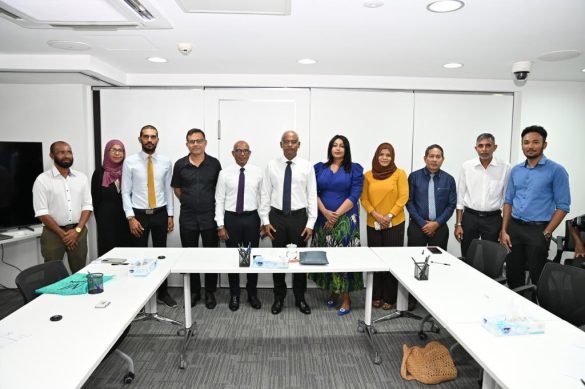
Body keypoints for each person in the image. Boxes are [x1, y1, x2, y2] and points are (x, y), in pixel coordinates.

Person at [500, 125, 570, 288]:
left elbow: (563, 206)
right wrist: (504, 230)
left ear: (544, 145)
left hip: (538, 230)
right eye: (526, 142)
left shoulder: (556, 171)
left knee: (538, 274)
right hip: (515, 228)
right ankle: (516, 310)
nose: (530, 146)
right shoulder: (516, 170)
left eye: (535, 142)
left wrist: (547, 232)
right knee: (513, 271)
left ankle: (540, 310)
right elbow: (508, 201)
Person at [259, 130, 317, 315]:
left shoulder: (307, 167)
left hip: (299, 218)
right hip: (277, 218)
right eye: (287, 141)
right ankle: (279, 298)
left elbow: (312, 196)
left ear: (299, 145)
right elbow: (265, 194)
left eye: (294, 142)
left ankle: (300, 298)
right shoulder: (271, 165)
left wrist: (310, 224)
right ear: (281, 144)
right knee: (279, 260)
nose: (290, 145)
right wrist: (265, 220)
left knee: (299, 261)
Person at [122, 125, 176, 307]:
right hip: (139, 216)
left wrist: (170, 215)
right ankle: (140, 295)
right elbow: (125, 192)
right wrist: (130, 217)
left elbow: (168, 190)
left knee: (161, 255)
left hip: (160, 214)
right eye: (146, 137)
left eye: (153, 137)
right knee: (139, 257)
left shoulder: (166, 162)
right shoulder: (130, 162)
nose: (150, 140)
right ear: (140, 139)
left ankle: (163, 292)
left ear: (158, 140)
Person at [309, 135, 364, 316]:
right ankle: (333, 290)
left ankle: (346, 298)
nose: (338, 148)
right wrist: (325, 212)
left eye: (341, 146)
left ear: (346, 149)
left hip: (346, 221)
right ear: (330, 148)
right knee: (327, 256)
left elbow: (355, 194)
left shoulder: (354, 169)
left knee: (344, 259)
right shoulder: (319, 168)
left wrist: (336, 215)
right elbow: (312, 192)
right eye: (334, 145)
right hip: (322, 218)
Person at [172, 129, 222, 309]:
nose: (195, 144)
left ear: (205, 143)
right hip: (188, 218)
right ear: (187, 144)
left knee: (211, 256)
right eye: (192, 141)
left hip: (210, 217)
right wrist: (187, 200)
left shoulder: (215, 164)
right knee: (190, 256)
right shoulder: (179, 165)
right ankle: (195, 291)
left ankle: (209, 292)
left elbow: (220, 189)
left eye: (199, 141)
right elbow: (177, 188)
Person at [215, 140, 263, 311]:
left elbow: (262, 199)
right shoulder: (224, 173)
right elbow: (219, 199)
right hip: (231, 220)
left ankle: (252, 293)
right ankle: (234, 294)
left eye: (245, 151)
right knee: (233, 260)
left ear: (249, 153)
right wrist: (220, 225)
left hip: (251, 220)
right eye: (239, 150)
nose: (242, 154)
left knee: (249, 258)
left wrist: (264, 222)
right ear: (233, 153)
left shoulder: (258, 173)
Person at [361, 143, 409, 311]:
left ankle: (390, 297)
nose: (384, 157)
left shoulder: (399, 174)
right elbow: (364, 199)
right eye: (381, 154)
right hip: (373, 223)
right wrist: (376, 215)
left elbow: (404, 197)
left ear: (392, 157)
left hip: (394, 223)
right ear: (376, 156)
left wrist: (389, 216)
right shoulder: (368, 175)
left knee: (391, 261)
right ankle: (376, 295)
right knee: (375, 261)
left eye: (388, 155)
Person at [32, 141, 93, 274]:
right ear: (52, 155)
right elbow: (42, 212)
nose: (66, 155)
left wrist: (76, 231)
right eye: (61, 152)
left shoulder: (81, 178)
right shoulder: (42, 180)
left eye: (69, 152)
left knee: (80, 272)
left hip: (79, 231)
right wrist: (63, 234)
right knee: (52, 273)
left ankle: (80, 295)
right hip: (53, 233)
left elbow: (87, 206)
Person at [454, 133, 510, 258]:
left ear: (495, 147)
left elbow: (507, 200)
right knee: (467, 254)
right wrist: (458, 224)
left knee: (490, 257)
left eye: (488, 145)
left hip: (493, 219)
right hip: (470, 217)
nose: (484, 149)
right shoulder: (467, 166)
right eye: (481, 146)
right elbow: (460, 197)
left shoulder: (505, 167)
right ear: (476, 148)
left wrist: (504, 229)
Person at [406, 144, 456, 250]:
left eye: (438, 157)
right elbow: (409, 202)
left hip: (440, 227)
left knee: (438, 260)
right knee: (415, 258)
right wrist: (423, 223)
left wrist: (436, 223)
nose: (434, 160)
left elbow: (451, 205)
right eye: (431, 156)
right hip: (417, 226)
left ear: (443, 159)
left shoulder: (449, 179)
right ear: (425, 158)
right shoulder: (414, 177)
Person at [91, 139, 132, 256]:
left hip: (126, 220)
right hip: (106, 221)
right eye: (113, 150)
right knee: (108, 254)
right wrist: (101, 221)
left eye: (120, 150)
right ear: (107, 152)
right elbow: (96, 200)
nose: (117, 153)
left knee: (127, 254)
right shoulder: (99, 173)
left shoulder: (128, 171)